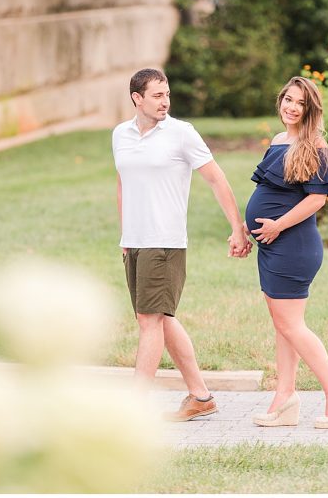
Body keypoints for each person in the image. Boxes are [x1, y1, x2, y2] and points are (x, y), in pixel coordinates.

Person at [112, 68, 250, 422]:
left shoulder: (181, 133)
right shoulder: (120, 135)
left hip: (165, 241)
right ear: (136, 98)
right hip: (136, 242)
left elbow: (216, 179)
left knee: (149, 319)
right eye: (157, 95)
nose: (165, 102)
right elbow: (123, 183)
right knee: (161, 319)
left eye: (168, 94)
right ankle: (201, 396)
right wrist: (125, 235)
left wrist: (238, 227)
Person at [244, 76, 328, 429]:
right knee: (284, 326)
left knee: (291, 325)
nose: (292, 107)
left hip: (293, 245)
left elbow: (317, 198)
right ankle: (285, 397)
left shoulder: (316, 146)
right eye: (288, 100)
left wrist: (277, 225)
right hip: (273, 246)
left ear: (311, 110)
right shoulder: (279, 141)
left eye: (300, 103)